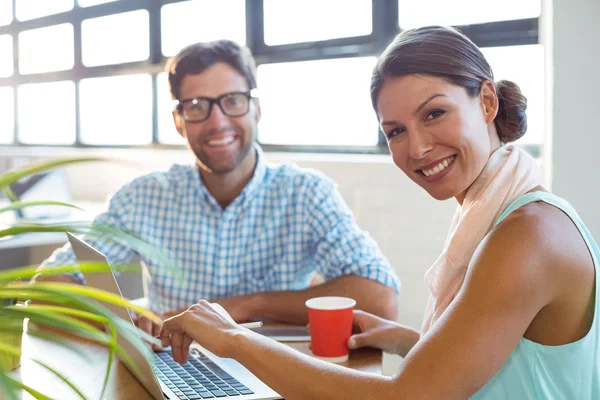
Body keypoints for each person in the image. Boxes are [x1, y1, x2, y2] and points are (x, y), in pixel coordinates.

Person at [158, 26, 600, 399]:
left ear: (487, 102)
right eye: (396, 131)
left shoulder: (528, 236)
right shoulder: (504, 209)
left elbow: (404, 397)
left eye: (435, 113)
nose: (418, 147)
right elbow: (508, 366)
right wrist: (409, 341)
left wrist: (236, 340)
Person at [34, 40, 400, 340]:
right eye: (196, 107)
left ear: (256, 109)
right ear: (178, 122)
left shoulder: (306, 194)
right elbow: (48, 287)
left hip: (278, 372)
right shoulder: (142, 197)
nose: (217, 121)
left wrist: (245, 305)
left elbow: (380, 300)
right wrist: (121, 319)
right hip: (173, 368)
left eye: (233, 101)